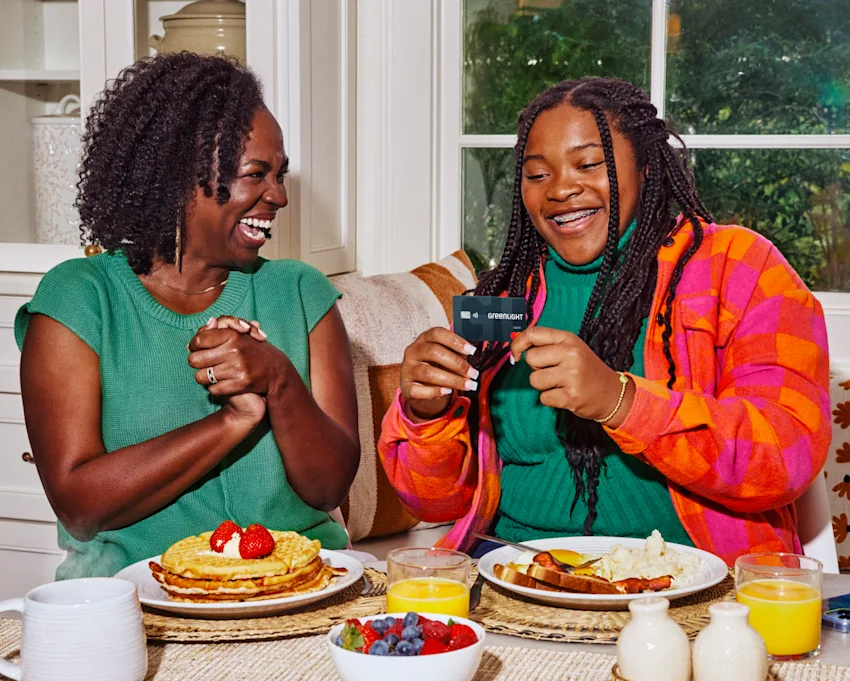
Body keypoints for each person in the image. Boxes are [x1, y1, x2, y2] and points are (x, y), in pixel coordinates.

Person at [378, 77, 830, 565]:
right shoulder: (502, 295)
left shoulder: (738, 267)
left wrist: (621, 401)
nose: (561, 189)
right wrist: (424, 415)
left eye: (590, 164)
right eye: (536, 174)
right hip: (514, 573)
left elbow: (786, 455)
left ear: (648, 166)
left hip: (689, 583)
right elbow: (435, 502)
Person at [15, 53, 360, 579]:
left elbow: (329, 487)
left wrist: (278, 380)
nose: (280, 196)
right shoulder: (82, 300)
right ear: (180, 177)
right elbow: (80, 505)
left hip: (299, 591)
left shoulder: (299, 293)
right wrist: (234, 420)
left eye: (280, 174)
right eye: (255, 175)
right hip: (136, 602)